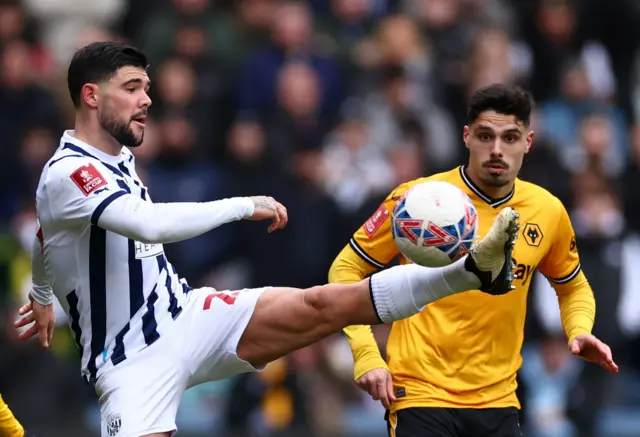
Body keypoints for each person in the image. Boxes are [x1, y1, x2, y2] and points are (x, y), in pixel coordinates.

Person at [13, 42, 520, 437]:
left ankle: (471, 270)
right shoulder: (69, 173)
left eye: (146, 87)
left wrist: (40, 295)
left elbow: (45, 232)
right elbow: (146, 224)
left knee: (323, 306)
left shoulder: (115, 156)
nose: (147, 99)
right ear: (91, 95)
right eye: (132, 87)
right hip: (130, 361)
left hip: (184, 316)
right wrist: (243, 205)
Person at [329, 83, 619, 437]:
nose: (497, 149)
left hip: (499, 399)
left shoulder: (547, 211)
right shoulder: (416, 201)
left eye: (510, 138)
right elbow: (346, 268)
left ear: (528, 142)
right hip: (421, 394)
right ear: (467, 137)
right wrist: (366, 354)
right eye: (485, 136)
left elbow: (572, 286)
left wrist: (579, 330)